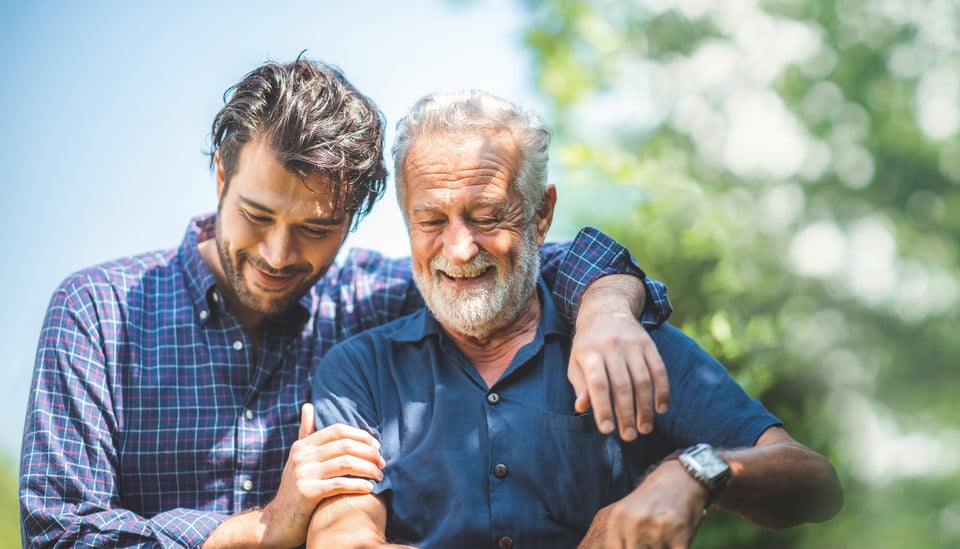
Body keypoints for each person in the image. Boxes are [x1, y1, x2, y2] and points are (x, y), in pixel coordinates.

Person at [19, 58, 675, 548]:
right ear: (221, 176)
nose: (278, 254)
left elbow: (510, 260)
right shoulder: (96, 312)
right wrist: (258, 528)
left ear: (356, 217)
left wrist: (608, 304)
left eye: (314, 229)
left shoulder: (373, 296)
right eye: (255, 215)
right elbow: (57, 532)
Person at [306, 90, 844, 548]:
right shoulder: (360, 369)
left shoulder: (626, 344)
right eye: (430, 220)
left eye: (488, 216)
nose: (460, 248)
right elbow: (341, 535)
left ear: (541, 214)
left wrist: (694, 471)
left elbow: (814, 482)